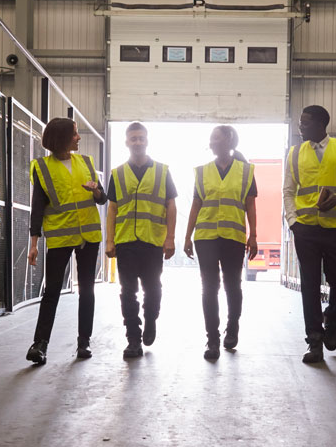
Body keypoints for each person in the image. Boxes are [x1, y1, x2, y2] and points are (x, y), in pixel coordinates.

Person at [284, 105, 336, 364]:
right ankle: (314, 341)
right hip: (305, 229)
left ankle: (332, 319)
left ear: (321, 124)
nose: (300, 128)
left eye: (305, 123)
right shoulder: (295, 153)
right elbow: (288, 190)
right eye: (300, 123)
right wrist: (293, 221)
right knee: (309, 284)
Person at [26, 118, 107, 365]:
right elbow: (37, 207)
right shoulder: (41, 167)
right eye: (75, 134)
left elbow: (103, 199)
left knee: (87, 289)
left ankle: (84, 342)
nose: (79, 137)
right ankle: (40, 344)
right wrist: (34, 243)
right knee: (51, 291)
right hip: (60, 236)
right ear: (61, 137)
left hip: (89, 236)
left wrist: (95, 191)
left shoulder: (86, 163)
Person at [183, 125, 258, 361]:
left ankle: (232, 326)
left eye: (215, 138)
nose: (211, 142)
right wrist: (186, 236)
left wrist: (253, 235)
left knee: (232, 285)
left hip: (233, 237)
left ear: (228, 140)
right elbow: (196, 204)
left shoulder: (246, 171)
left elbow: (250, 205)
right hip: (205, 237)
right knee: (209, 287)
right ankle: (212, 339)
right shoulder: (203, 172)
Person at [105, 122, 178, 360]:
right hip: (126, 241)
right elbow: (112, 209)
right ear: (127, 142)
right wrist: (109, 241)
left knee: (153, 288)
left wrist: (170, 238)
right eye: (133, 138)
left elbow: (171, 205)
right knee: (128, 291)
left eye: (141, 138)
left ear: (147, 141)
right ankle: (133, 339)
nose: (137, 142)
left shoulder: (162, 171)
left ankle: (150, 320)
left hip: (152, 241)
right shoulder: (117, 173)